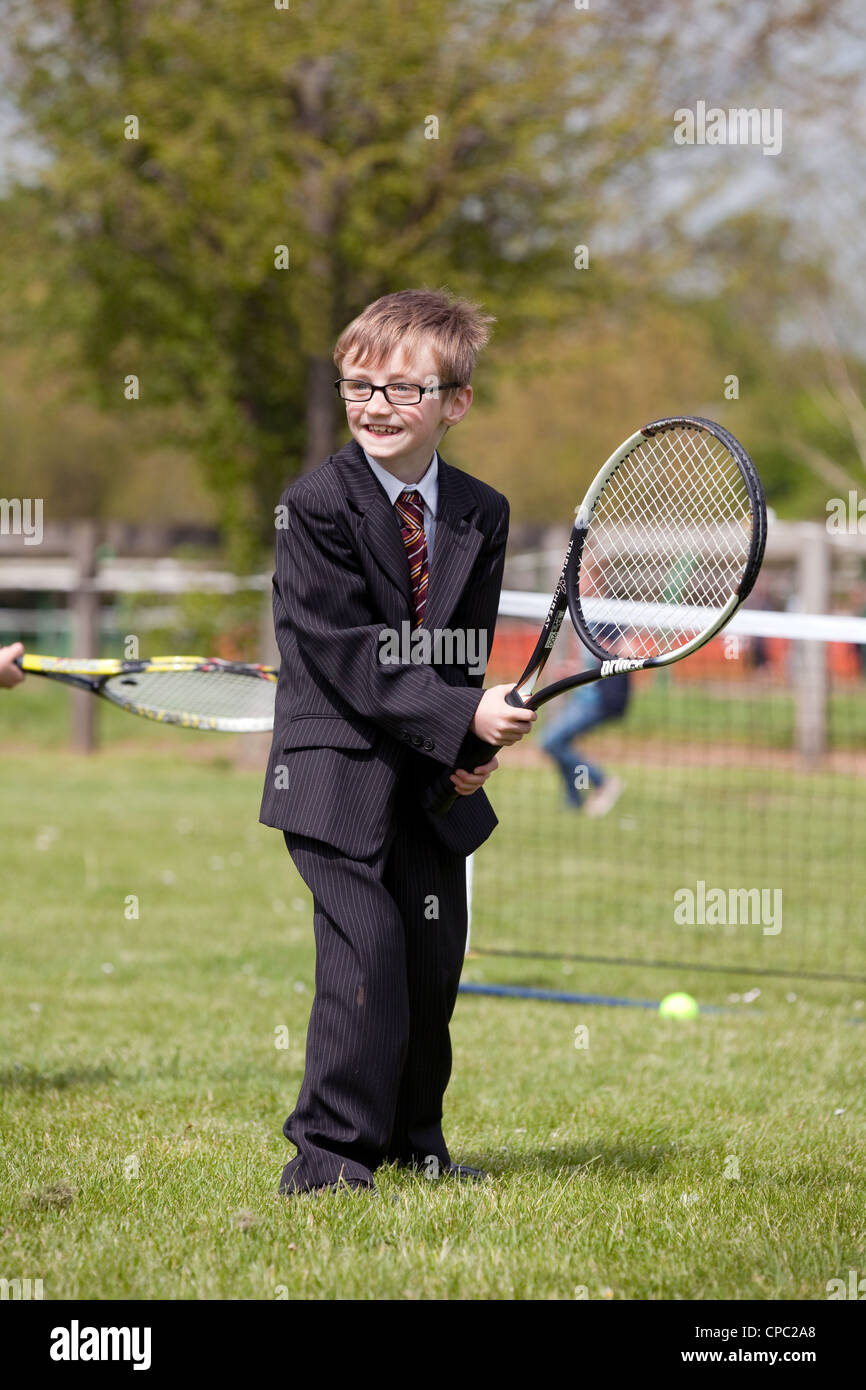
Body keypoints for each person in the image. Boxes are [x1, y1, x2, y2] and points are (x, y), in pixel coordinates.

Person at [259, 289, 535, 1196]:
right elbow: (348, 654)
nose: (375, 405)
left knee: (428, 962)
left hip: (425, 776)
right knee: (366, 955)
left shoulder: (480, 512)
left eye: (402, 389)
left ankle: (416, 1145)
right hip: (334, 769)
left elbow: (457, 648)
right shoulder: (315, 506)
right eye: (358, 386)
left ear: (454, 402)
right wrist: (460, 715)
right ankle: (329, 1159)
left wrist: (466, 743)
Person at [541, 665, 629, 816]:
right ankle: (573, 801)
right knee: (560, 745)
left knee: (551, 742)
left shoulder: (612, 640)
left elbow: (625, 652)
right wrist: (572, 671)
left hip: (596, 701)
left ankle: (602, 782)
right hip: (582, 698)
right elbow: (590, 666)